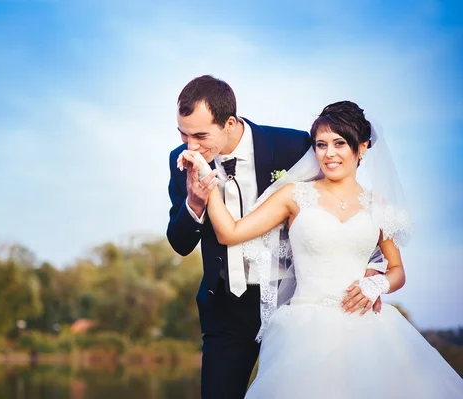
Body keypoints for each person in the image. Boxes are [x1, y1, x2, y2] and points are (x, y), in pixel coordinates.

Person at [178, 101, 463, 398]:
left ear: (362, 147)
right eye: (321, 144)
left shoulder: (379, 206)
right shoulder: (295, 195)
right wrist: (205, 181)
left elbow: (397, 270)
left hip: (367, 329)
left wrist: (376, 283)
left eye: (340, 144)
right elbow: (230, 233)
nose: (329, 154)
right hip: (305, 329)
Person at [168, 74, 328, 398]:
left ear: (229, 122)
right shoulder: (179, 161)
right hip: (226, 307)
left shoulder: (294, 147)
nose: (190, 147)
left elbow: (336, 208)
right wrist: (194, 202)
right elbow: (181, 243)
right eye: (183, 134)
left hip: (292, 302)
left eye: (200, 135)